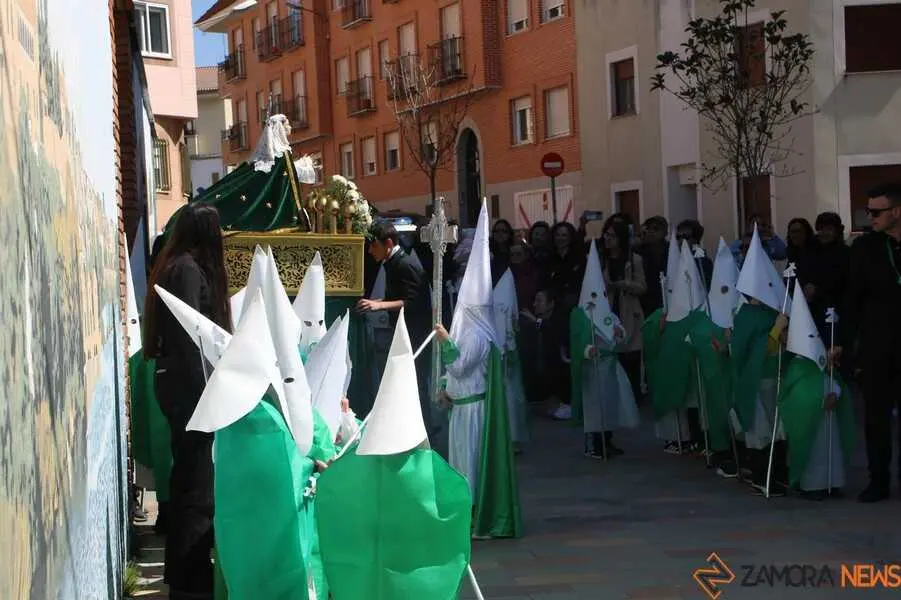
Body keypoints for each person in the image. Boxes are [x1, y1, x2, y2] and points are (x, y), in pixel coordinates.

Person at [143, 203, 232, 600]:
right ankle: (189, 579)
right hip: (190, 391)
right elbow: (190, 338)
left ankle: (186, 575)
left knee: (190, 482)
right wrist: (211, 398)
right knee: (197, 488)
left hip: (180, 386)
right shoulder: (188, 270)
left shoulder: (178, 265)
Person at [436, 200, 521, 539]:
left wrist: (444, 341)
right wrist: (444, 388)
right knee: (459, 465)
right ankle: (465, 513)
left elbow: (459, 364)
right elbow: (452, 374)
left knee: (470, 466)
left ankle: (477, 516)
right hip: (461, 409)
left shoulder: (478, 334)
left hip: (474, 411)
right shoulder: (467, 329)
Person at [833, 183, 901, 503]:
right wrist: (845, 343)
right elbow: (852, 300)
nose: (869, 217)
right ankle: (878, 480)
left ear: (896, 212)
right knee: (876, 416)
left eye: (876, 212)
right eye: (868, 211)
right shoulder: (864, 248)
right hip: (877, 346)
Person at [356, 222, 438, 451]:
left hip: (414, 334)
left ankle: (425, 430)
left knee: (416, 381)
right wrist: (377, 303)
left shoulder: (405, 265)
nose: (370, 251)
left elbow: (413, 301)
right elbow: (397, 296)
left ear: (388, 244)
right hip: (403, 331)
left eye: (373, 245)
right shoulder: (392, 264)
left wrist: (378, 305)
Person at [570, 242, 640, 459]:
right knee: (595, 407)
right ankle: (595, 443)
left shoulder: (609, 316)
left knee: (610, 405)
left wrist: (620, 333)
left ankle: (607, 439)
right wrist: (587, 349)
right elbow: (576, 342)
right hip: (593, 370)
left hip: (610, 368)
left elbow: (620, 332)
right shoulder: (581, 317)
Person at [599, 220, 647, 401]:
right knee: (611, 355)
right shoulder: (601, 259)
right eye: (606, 235)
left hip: (628, 310)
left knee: (631, 355)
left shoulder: (634, 260)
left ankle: (634, 395)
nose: (608, 239)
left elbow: (642, 286)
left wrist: (623, 284)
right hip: (608, 310)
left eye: (612, 236)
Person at [520, 289, 571, 416]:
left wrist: (536, 322)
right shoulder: (531, 323)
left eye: (539, 301)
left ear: (551, 304)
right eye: (535, 301)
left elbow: (555, 332)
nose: (535, 304)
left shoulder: (559, 320)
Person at [636, 216, 669, 316]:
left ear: (665, 232)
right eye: (648, 228)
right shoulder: (638, 250)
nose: (651, 232)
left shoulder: (671, 250)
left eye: (656, 229)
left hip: (666, 299)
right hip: (644, 302)